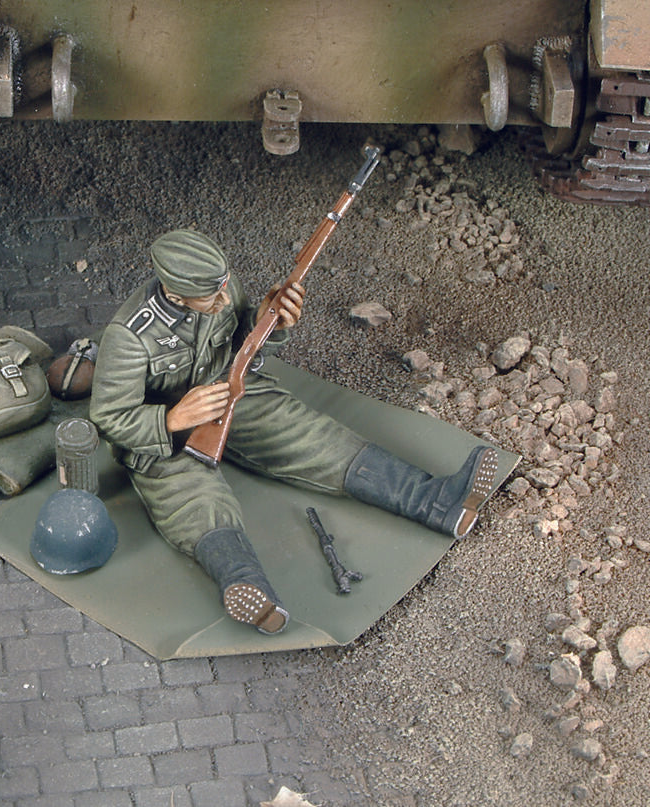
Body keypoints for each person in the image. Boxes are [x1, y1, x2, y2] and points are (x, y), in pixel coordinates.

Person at [89, 229, 498, 634]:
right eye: (213, 297)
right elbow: (110, 416)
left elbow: (243, 340)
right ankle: (247, 584)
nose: (226, 298)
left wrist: (272, 321)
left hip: (232, 392)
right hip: (164, 434)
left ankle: (435, 501)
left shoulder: (221, 287)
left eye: (225, 287)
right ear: (176, 295)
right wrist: (173, 420)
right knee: (194, 498)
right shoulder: (128, 337)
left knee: (312, 438)